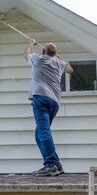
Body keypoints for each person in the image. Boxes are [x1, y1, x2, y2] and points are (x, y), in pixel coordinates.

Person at [24, 39, 73, 177]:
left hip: (41, 99)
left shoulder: (37, 59)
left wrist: (30, 44)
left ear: (43, 51)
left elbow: (26, 55)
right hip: (54, 102)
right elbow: (70, 70)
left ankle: (50, 165)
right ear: (54, 54)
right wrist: (60, 59)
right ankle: (56, 164)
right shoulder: (59, 63)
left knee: (43, 132)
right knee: (39, 134)